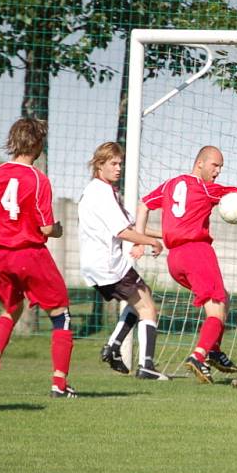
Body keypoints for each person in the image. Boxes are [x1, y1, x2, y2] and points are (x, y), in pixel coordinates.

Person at [0, 118, 75, 398]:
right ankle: (59, 385)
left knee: (11, 309)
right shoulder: (38, 179)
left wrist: (4, 213)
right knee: (61, 315)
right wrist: (58, 230)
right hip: (29, 254)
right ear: (38, 144)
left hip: (0, 257)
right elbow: (45, 228)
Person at [135, 145, 237, 384]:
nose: (218, 171)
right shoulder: (204, 188)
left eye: (221, 167)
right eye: (215, 165)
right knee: (216, 309)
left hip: (175, 260)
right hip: (196, 252)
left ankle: (213, 349)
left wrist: (141, 240)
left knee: (223, 298)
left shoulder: (170, 185)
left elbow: (144, 204)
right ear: (200, 163)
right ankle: (199, 355)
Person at [78, 142, 168, 380]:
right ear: (99, 165)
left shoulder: (102, 191)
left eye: (120, 164)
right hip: (108, 264)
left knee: (142, 296)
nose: (118, 168)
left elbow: (132, 225)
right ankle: (146, 366)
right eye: (113, 164)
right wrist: (151, 242)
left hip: (95, 265)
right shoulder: (100, 192)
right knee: (148, 307)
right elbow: (123, 232)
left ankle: (113, 346)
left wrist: (166, 235)